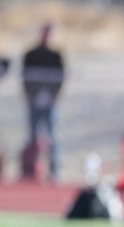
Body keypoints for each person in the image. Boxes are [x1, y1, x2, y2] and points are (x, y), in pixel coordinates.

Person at [21, 23, 65, 182]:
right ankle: (30, 170)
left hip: (50, 103)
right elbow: (25, 78)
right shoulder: (31, 54)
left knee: (52, 137)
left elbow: (61, 78)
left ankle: (54, 171)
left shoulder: (56, 55)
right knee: (33, 136)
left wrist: (52, 96)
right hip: (34, 102)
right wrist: (31, 96)